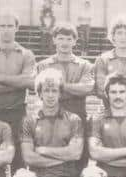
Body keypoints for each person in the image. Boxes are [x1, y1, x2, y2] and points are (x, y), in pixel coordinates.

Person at [21, 68, 83, 177]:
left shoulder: (74, 119)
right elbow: (29, 158)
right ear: (39, 93)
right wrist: (63, 157)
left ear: (60, 93)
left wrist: (43, 151)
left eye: (54, 90)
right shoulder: (28, 121)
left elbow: (76, 153)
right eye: (46, 90)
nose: (50, 95)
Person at [0, 9, 36, 171]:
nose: (6, 29)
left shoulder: (27, 54)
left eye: (10, 25)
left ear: (17, 28)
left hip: (17, 112)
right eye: (2, 25)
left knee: (18, 159)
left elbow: (29, 83)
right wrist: (17, 83)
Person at [35, 22, 94, 167]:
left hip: (77, 115)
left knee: (79, 160)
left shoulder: (85, 65)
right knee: (50, 157)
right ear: (54, 39)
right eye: (61, 38)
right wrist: (73, 89)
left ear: (75, 41)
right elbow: (39, 91)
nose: (65, 43)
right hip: (51, 116)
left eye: (69, 39)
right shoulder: (43, 65)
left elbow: (86, 88)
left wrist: (57, 85)